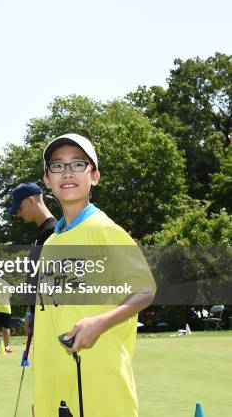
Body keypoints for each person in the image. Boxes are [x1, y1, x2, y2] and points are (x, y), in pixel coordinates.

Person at [32, 133, 156, 416]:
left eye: (78, 164)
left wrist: (100, 323)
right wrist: (41, 395)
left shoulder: (105, 230)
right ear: (47, 180)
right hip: (55, 388)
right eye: (57, 165)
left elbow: (145, 290)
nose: (67, 172)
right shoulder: (51, 242)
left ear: (94, 176)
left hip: (101, 385)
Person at [8, 182, 57, 357]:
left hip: (50, 317)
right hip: (39, 313)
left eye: (19, 208)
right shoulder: (41, 233)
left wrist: (36, 312)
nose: (18, 213)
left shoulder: (53, 231)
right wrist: (30, 311)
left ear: (30, 201)